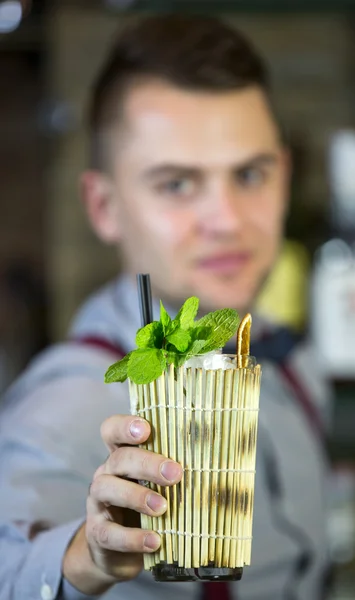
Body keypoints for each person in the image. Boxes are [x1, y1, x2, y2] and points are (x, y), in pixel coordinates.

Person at [0, 14, 332, 600]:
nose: (228, 220)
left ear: (283, 178)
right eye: (177, 184)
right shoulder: (70, 404)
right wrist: (84, 557)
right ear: (103, 207)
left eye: (250, 174)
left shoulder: (294, 363)